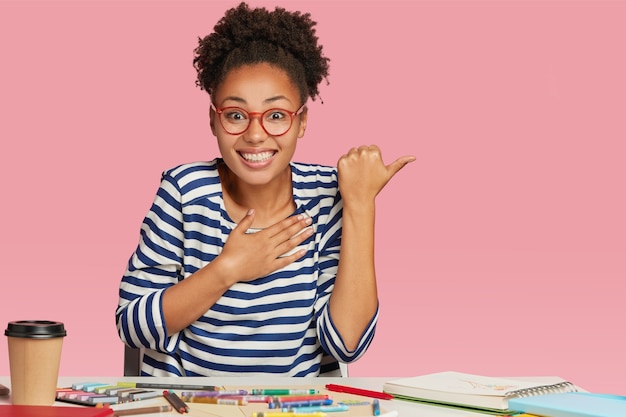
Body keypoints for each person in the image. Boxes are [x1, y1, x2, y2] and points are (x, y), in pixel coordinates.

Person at [116, 2, 415, 377]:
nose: (255, 135)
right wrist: (229, 268)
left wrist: (360, 204)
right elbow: (132, 325)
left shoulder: (326, 197)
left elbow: (347, 344)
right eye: (236, 115)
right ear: (214, 119)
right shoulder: (184, 192)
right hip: (189, 405)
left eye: (276, 115)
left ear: (301, 121)